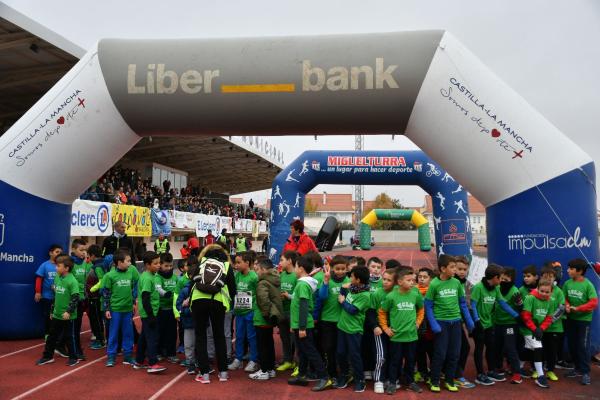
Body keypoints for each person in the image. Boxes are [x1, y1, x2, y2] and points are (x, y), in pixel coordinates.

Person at [425, 255, 474, 393]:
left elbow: (463, 303)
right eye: (452, 267)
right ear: (443, 268)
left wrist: (469, 321)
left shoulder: (456, 283)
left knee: (454, 354)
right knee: (440, 353)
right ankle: (434, 381)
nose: (455, 270)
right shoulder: (434, 284)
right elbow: (428, 306)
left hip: (456, 323)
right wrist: (434, 324)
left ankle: (450, 380)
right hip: (442, 324)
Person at [191, 244, 236, 384]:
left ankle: (204, 374)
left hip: (198, 300)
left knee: (200, 336)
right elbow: (233, 289)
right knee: (219, 335)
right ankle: (223, 373)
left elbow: (193, 279)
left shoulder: (203, 262)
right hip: (217, 301)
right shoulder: (227, 266)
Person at [287, 254, 331, 391]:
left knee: (311, 351)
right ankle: (301, 375)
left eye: (295, 267)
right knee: (304, 351)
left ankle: (325, 378)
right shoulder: (304, 283)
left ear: (300, 268)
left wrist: (301, 327)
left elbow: (304, 305)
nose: (294, 269)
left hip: (304, 325)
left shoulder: (302, 285)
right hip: (300, 324)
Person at [470, 264, 519, 386]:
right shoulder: (478, 287)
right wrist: (476, 321)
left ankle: (491, 371)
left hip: (489, 324)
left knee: (491, 348)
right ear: (495, 277)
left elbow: (503, 303)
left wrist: (516, 315)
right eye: (501, 278)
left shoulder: (496, 289)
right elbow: (473, 305)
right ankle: (480, 374)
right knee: (479, 348)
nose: (502, 281)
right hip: (479, 325)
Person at [379, 268, 424, 394]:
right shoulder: (391, 296)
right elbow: (382, 312)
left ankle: (410, 382)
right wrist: (385, 328)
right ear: (399, 282)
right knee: (395, 361)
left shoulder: (415, 294)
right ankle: (393, 383)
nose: (412, 283)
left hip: (411, 336)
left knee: (410, 361)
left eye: (413, 281)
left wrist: (418, 322)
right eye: (409, 280)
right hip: (396, 337)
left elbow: (421, 309)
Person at [37, 254, 80, 367]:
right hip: (56, 314)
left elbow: (75, 298)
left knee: (69, 337)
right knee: (52, 336)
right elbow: (55, 296)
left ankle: (73, 357)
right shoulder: (57, 277)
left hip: (67, 316)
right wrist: (52, 310)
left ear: (66, 268)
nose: (56, 268)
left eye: (58, 266)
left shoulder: (72, 281)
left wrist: (68, 312)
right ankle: (47, 356)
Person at [334, 265, 371, 393]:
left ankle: (360, 380)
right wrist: (343, 290)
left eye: (352, 276)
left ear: (358, 280)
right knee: (340, 353)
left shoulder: (365, 295)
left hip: (354, 330)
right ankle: (344, 375)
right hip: (342, 327)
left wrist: (343, 302)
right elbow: (342, 294)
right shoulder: (352, 288)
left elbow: (353, 310)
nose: (349, 278)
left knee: (354, 355)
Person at [563, 258, 597, 385]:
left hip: (584, 321)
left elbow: (593, 302)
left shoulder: (588, 285)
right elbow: (564, 297)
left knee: (582, 346)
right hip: (571, 320)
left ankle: (585, 372)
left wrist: (578, 308)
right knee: (572, 345)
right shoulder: (567, 283)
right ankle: (577, 368)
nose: (568, 270)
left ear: (580, 271)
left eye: (571, 269)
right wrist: (566, 305)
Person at [103, 249, 139, 367]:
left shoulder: (130, 273)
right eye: (128, 261)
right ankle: (111, 356)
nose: (130, 263)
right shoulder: (110, 275)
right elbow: (106, 293)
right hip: (115, 310)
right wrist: (107, 309)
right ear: (119, 262)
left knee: (128, 333)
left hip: (128, 310)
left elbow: (133, 288)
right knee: (113, 333)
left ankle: (128, 356)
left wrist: (133, 302)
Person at [317, 255, 350, 381]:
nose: (340, 271)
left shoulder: (348, 280)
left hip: (343, 321)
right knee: (329, 348)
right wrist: (325, 282)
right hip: (327, 320)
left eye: (343, 269)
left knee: (341, 349)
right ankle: (332, 373)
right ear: (333, 268)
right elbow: (322, 297)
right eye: (337, 269)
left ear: (346, 269)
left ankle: (344, 372)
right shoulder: (327, 279)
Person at [250, 258, 283, 380]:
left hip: (262, 318)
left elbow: (263, 300)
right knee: (269, 344)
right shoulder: (275, 279)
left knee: (262, 345)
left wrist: (265, 314)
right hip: (270, 318)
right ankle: (270, 369)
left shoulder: (263, 282)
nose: (256, 271)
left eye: (258, 269)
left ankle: (263, 370)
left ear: (263, 270)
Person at [134, 251, 167, 373]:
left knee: (143, 337)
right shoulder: (147, 278)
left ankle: (139, 360)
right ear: (147, 265)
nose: (159, 265)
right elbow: (145, 298)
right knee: (152, 338)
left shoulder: (149, 276)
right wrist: (151, 315)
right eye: (156, 263)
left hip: (149, 312)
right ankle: (152, 363)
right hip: (149, 313)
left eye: (159, 263)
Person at [520, 278, 556, 389]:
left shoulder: (551, 301)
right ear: (538, 289)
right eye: (542, 291)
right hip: (527, 329)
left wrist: (541, 328)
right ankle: (541, 377)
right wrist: (535, 329)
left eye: (547, 292)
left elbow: (549, 318)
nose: (544, 294)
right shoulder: (530, 298)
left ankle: (518, 367)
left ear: (551, 292)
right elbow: (525, 316)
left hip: (537, 330)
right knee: (538, 348)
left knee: (528, 349)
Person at [492, 266, 524, 384]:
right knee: (496, 346)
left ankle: (517, 373)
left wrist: (520, 304)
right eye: (502, 279)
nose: (503, 282)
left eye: (506, 280)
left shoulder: (515, 291)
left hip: (510, 324)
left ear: (512, 280)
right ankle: (498, 366)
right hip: (497, 323)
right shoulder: (497, 288)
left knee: (510, 347)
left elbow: (521, 309)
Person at [228, 252, 259, 372]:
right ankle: (238, 359)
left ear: (247, 263)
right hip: (239, 312)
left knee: (251, 337)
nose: (236, 265)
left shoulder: (254, 277)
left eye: (238, 262)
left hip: (250, 311)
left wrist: (255, 308)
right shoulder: (237, 276)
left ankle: (253, 360)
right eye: (235, 262)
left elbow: (258, 293)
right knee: (239, 336)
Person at [370, 267, 396, 393]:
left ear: (396, 282)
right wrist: (375, 326)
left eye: (388, 280)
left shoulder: (399, 293)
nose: (385, 282)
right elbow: (370, 311)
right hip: (380, 330)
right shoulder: (377, 294)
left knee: (394, 356)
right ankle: (379, 380)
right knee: (381, 356)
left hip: (395, 330)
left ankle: (391, 379)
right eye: (384, 279)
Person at [539, 265, 565, 382]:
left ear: (555, 278)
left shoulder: (559, 291)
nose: (548, 279)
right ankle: (538, 370)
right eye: (545, 276)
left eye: (551, 277)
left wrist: (549, 322)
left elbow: (561, 308)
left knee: (552, 351)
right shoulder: (537, 291)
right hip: (540, 328)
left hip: (554, 328)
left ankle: (550, 370)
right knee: (540, 350)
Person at [453, 255, 475, 389]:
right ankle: (456, 376)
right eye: (459, 268)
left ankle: (455, 373)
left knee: (463, 348)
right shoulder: (451, 282)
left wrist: (471, 321)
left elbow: (468, 304)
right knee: (461, 348)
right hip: (450, 321)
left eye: (464, 269)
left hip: (459, 321)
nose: (462, 271)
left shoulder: (467, 285)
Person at [34, 244, 63, 339]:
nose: (59, 254)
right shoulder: (45, 265)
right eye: (57, 252)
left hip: (59, 297)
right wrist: (38, 292)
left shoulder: (61, 266)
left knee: (57, 316)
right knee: (48, 316)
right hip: (47, 296)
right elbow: (39, 278)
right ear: (51, 253)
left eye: (60, 252)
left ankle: (56, 334)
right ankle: (47, 334)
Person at [363, 256, 384, 381]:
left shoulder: (383, 282)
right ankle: (366, 368)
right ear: (368, 267)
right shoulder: (364, 281)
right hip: (364, 318)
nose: (376, 270)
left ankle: (375, 368)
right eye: (373, 266)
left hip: (378, 319)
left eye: (379, 267)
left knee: (376, 346)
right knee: (365, 344)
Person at [277, 250, 298, 372]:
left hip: (292, 312)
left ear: (290, 261)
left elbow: (299, 296)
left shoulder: (297, 275)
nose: (280, 263)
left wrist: (288, 295)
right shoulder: (282, 274)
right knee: (284, 338)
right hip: (282, 310)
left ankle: (297, 362)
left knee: (294, 339)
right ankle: (287, 360)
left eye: (282, 260)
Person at [155, 253, 178, 363]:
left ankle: (171, 353)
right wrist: (165, 293)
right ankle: (159, 352)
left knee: (172, 333)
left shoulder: (175, 277)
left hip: (172, 310)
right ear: (160, 265)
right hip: (161, 310)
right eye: (166, 266)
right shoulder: (158, 277)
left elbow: (179, 289)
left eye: (170, 266)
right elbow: (158, 288)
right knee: (160, 331)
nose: (169, 268)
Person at [70, 239, 91, 360]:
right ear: (73, 249)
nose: (84, 252)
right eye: (81, 250)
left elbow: (83, 281)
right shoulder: (70, 263)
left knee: (76, 326)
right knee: (73, 327)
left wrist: (85, 296)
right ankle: (75, 351)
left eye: (85, 250)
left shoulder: (84, 263)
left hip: (81, 299)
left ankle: (75, 347)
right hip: (72, 299)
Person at [415, 267, 435, 384]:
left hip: (431, 328)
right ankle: (422, 372)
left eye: (425, 277)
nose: (421, 279)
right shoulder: (413, 290)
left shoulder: (433, 291)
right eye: (420, 277)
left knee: (432, 351)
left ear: (430, 279)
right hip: (418, 327)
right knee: (419, 351)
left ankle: (433, 373)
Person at [86, 245, 107, 350]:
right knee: (97, 319)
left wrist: (92, 289)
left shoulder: (98, 266)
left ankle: (100, 341)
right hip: (97, 297)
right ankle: (101, 339)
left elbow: (102, 281)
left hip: (96, 298)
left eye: (88, 256)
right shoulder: (101, 264)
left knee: (97, 319)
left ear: (93, 255)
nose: (88, 258)